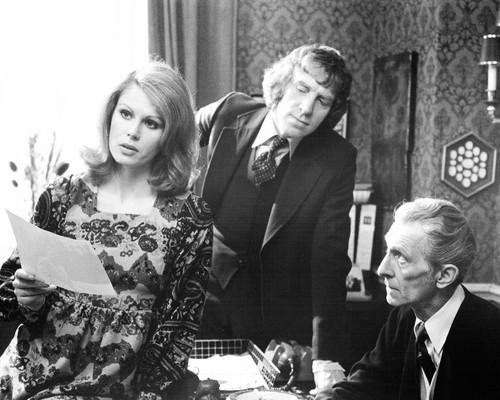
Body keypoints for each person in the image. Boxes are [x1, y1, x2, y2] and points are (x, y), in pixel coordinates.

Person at [0, 61, 213, 399]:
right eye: (126, 114)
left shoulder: (189, 218)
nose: (132, 132)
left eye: (151, 123)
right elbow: (9, 297)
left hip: (119, 390)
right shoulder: (62, 196)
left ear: (170, 135)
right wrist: (30, 299)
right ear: (110, 115)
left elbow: (177, 332)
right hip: (32, 380)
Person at [196, 43, 357, 394]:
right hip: (201, 303)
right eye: (302, 89)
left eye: (322, 101)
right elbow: (172, 131)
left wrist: (325, 358)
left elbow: (329, 260)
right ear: (282, 84)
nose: (306, 108)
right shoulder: (230, 110)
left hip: (273, 329)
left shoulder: (337, 158)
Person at [330, 198, 500, 400]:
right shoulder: (402, 319)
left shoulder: (491, 337)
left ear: (444, 276)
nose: (382, 270)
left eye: (401, 257)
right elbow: (361, 385)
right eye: (388, 251)